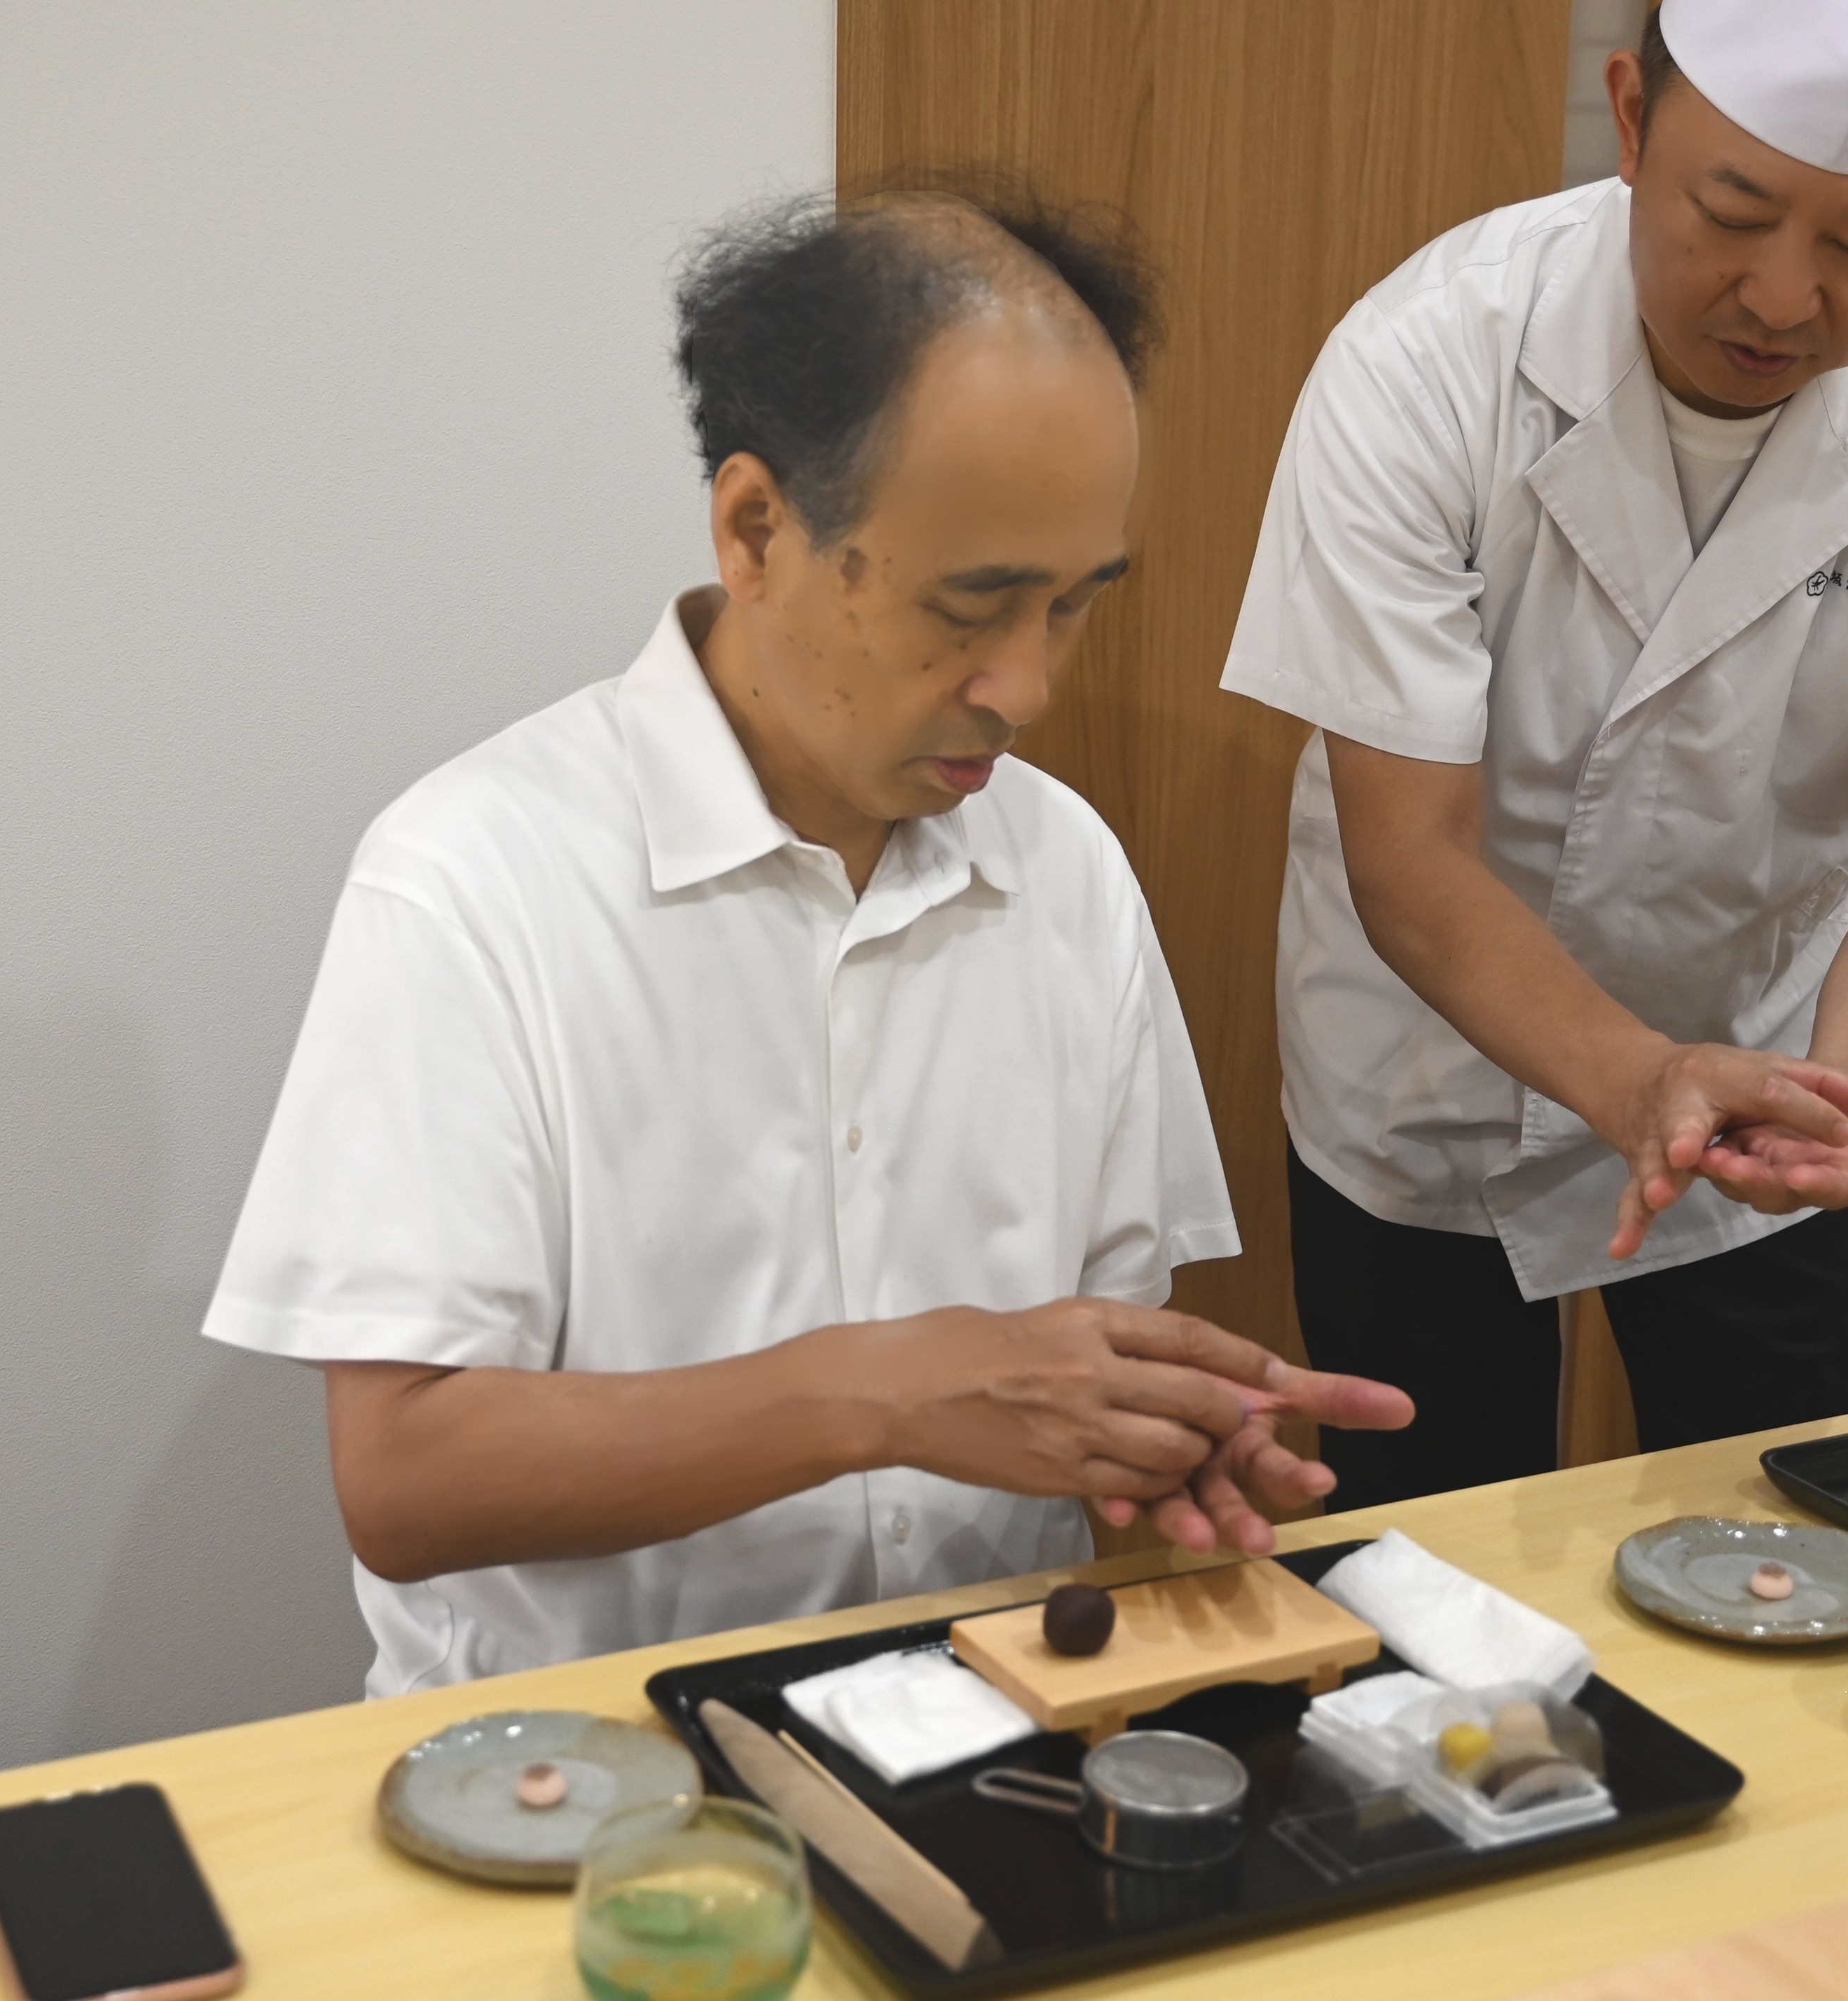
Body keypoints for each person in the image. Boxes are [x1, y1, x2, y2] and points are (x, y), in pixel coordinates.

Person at [204, 191, 1410, 1694]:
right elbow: (406, 1483)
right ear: (758, 527)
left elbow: (1081, 1348)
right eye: (970, 607)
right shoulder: (472, 879)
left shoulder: (1067, 869)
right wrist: (885, 1393)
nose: (1025, 686)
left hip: (987, 1731)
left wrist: (1138, 1438)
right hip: (580, 1780)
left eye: (1073, 608)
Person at [1221, 0, 1848, 1506]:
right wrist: (1634, 1079)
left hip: (1761, 1089)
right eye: (1730, 208)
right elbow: (1406, 849)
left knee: (1805, 1540)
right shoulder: (1428, 361)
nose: (1781, 295)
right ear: (1630, 118)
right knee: (1438, 1596)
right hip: (1421, 1090)